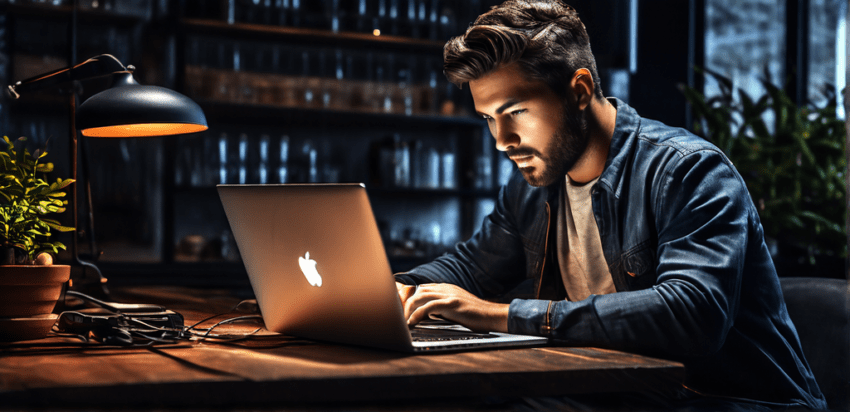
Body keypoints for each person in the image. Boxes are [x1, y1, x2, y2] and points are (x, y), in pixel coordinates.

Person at [394, 1, 828, 410]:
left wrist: (499, 315)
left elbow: (692, 314)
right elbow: (472, 266)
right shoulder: (534, 180)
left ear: (580, 90)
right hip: (624, 393)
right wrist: (395, 291)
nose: (502, 140)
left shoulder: (689, 171)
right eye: (489, 118)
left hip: (729, 401)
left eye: (517, 111)